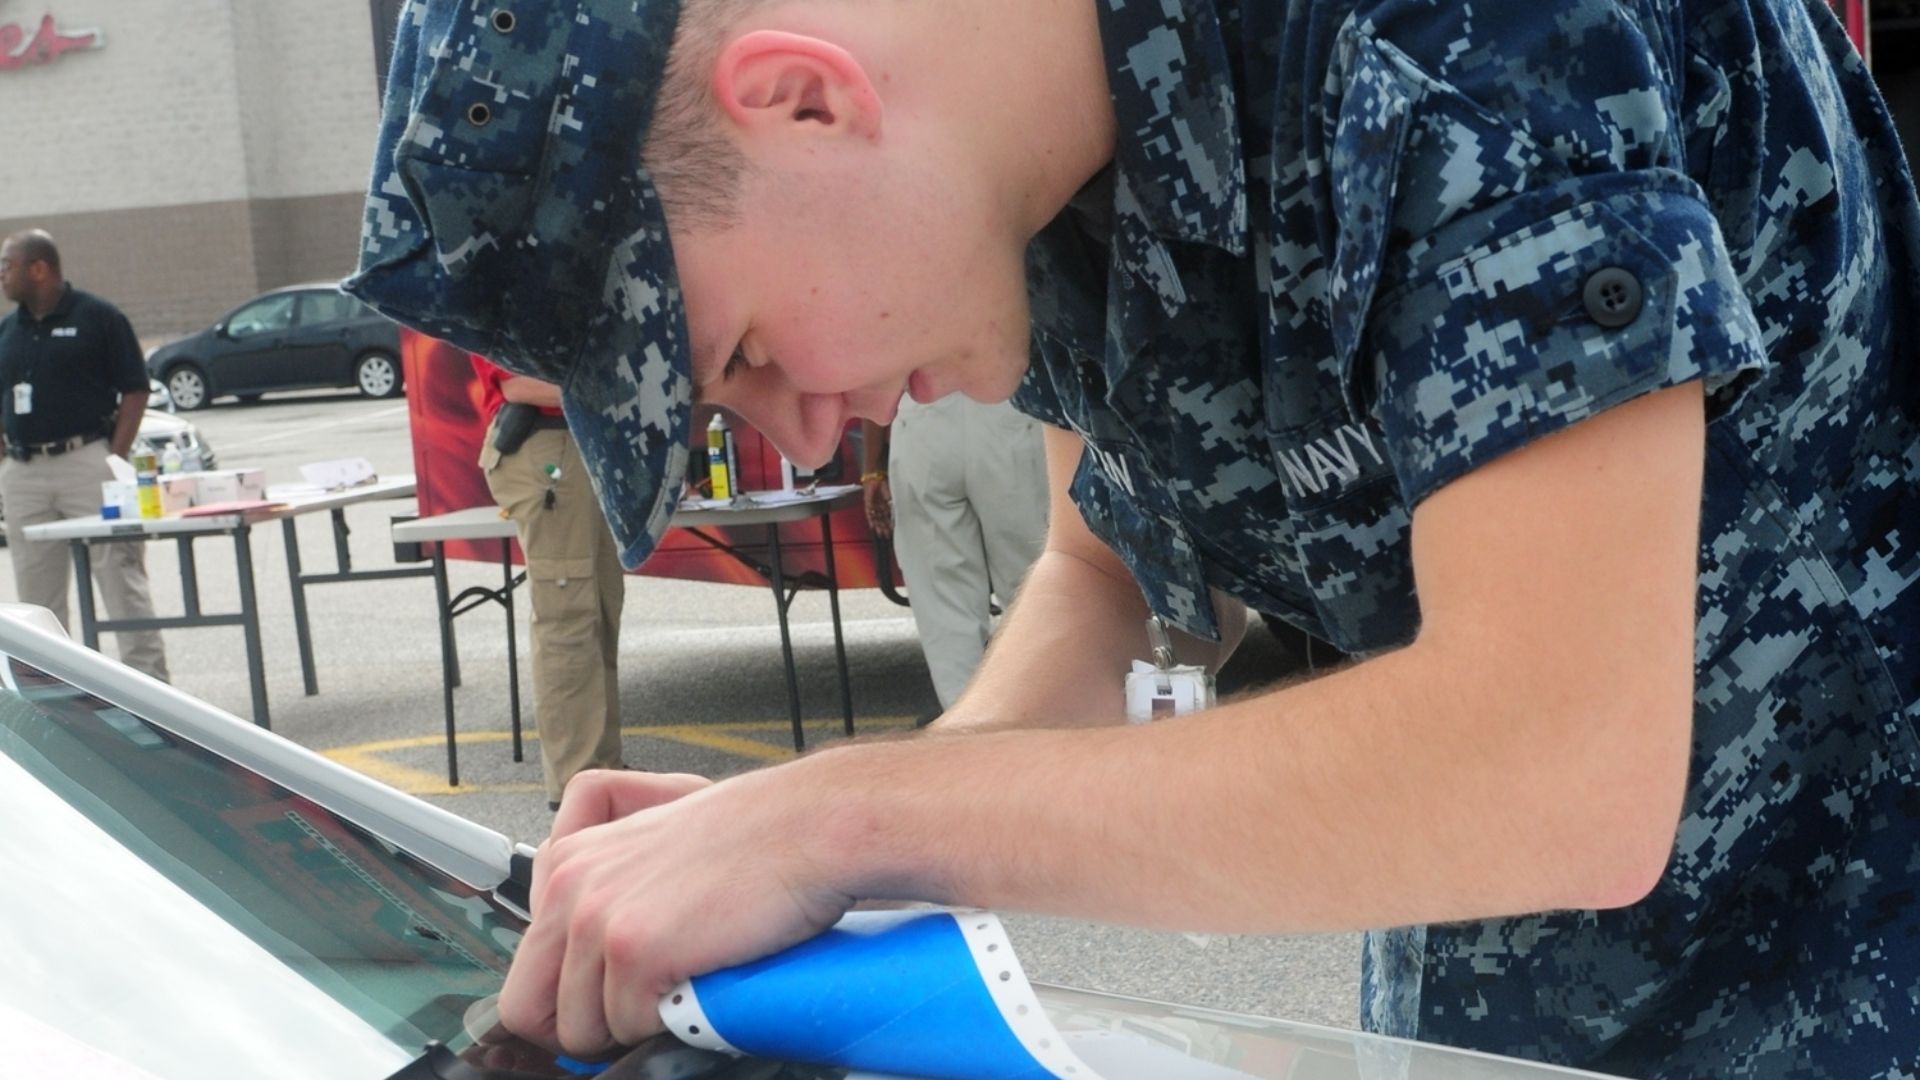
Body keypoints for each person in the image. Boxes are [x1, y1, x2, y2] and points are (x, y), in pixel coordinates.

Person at [345, 0, 1920, 1075]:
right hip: (1485, 1011)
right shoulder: (1031, 174)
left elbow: (1560, 762)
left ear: (806, 97)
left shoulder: (1455, 36)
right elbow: (1112, 589)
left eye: (747, 351)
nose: (810, 437)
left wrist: (829, 820)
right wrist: (818, 882)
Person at [0, 230, 168, 681]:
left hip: (88, 461)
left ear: (39, 268)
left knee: (119, 574)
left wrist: (113, 457)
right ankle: (51, 695)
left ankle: (152, 692)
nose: (1, 275)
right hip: (23, 471)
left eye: (7, 265)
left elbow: (135, 388)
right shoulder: (7, 331)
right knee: (35, 598)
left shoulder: (99, 317)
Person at [472, 357, 628, 809]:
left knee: (598, 609)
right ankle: (576, 786)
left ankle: (603, 775)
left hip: (577, 445)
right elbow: (519, 384)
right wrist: (620, 393)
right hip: (545, 446)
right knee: (569, 619)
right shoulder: (502, 285)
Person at [859, 400, 1048, 712]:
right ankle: (1042, 726)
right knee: (1032, 593)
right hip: (1009, 411)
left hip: (922, 422)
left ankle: (973, 737)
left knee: (946, 612)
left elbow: (869, 374)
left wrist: (872, 469)